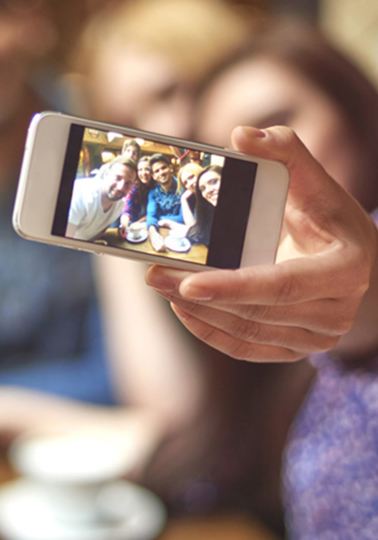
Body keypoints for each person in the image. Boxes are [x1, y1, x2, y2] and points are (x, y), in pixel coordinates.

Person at [145, 18, 378, 538]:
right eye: (228, 164)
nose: (254, 171)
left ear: (357, 112)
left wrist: (362, 292)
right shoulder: (255, 293)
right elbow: (202, 464)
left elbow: (363, 295)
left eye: (274, 124)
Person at [67, 154, 137, 240]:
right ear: (106, 174)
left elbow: (99, 231)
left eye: (128, 183)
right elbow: (61, 242)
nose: (120, 187)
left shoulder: (120, 205)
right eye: (118, 178)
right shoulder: (80, 196)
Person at [146, 153, 184, 252]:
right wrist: (153, 233)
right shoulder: (152, 193)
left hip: (180, 235)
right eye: (157, 171)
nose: (161, 173)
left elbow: (183, 218)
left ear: (170, 168)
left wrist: (158, 219)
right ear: (153, 176)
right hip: (161, 232)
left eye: (164, 168)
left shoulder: (183, 188)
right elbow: (151, 215)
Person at [186, 165, 222, 245]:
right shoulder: (207, 210)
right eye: (203, 189)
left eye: (213, 182)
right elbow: (196, 231)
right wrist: (183, 199)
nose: (208, 190)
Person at [120, 155, 154, 234]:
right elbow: (126, 210)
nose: (143, 173)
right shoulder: (134, 188)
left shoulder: (156, 188)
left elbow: (154, 213)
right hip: (133, 223)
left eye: (147, 169)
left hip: (150, 222)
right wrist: (124, 225)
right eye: (140, 170)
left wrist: (138, 222)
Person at [177, 162, 203, 228]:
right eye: (185, 183)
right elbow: (192, 227)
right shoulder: (194, 199)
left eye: (191, 177)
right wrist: (183, 199)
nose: (190, 183)